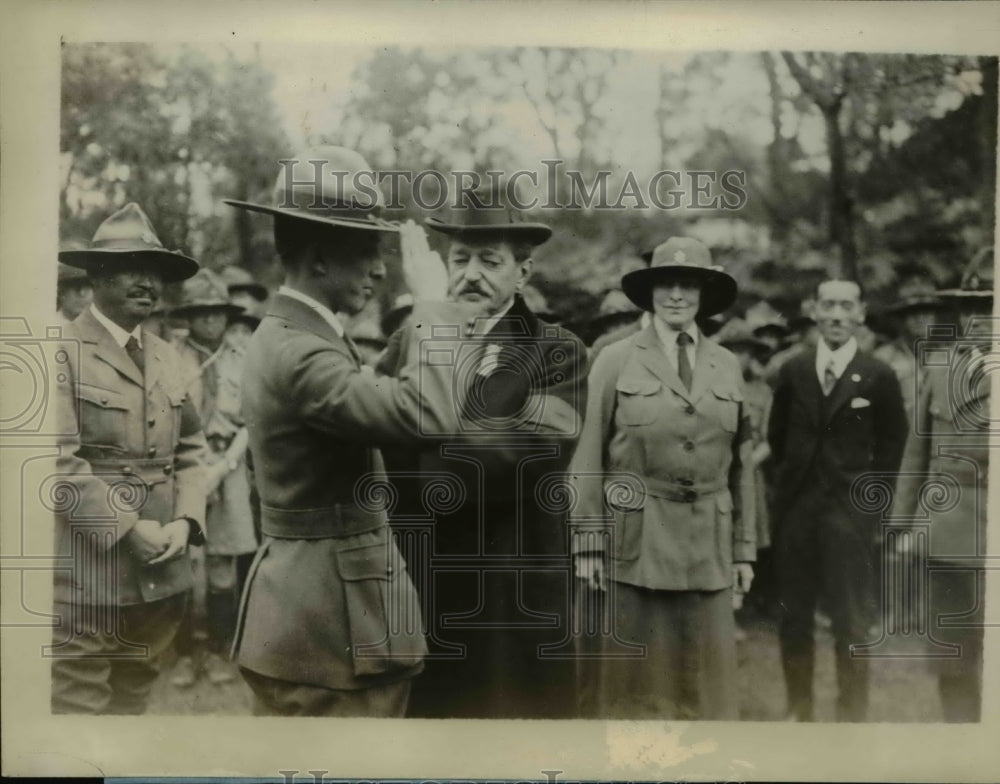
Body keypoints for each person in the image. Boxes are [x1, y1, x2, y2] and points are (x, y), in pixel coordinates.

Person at [225, 145, 477, 717]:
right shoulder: (300, 353)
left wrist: (428, 324)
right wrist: (431, 306)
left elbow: (363, 390)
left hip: (314, 611)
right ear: (318, 258)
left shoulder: (295, 334)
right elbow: (427, 416)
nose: (382, 269)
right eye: (367, 250)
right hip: (333, 625)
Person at [378, 182, 587, 718]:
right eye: (460, 258)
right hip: (420, 585)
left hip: (508, 592)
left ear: (522, 272)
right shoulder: (407, 341)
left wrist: (419, 430)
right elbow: (373, 441)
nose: (471, 273)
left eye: (490, 261)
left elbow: (510, 457)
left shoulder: (556, 350)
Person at [570, 236, 755, 720]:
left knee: (707, 692)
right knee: (636, 691)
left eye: (688, 284)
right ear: (650, 292)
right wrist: (588, 539)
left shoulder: (727, 364)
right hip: (636, 544)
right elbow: (588, 451)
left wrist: (743, 548)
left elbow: (741, 465)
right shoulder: (614, 358)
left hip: (707, 548)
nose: (676, 294)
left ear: (703, 294)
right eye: (666, 283)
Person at [51, 203, 206, 714]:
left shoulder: (168, 356)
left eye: (155, 270)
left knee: (133, 702)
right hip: (84, 575)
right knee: (80, 713)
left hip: (159, 572)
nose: (147, 281)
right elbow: (57, 460)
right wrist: (126, 528)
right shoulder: (61, 350)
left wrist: (186, 519)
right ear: (95, 275)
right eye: (130, 267)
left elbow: (191, 450)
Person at [768, 278, 908, 722]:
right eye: (828, 304)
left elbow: (892, 447)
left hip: (850, 513)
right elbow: (777, 436)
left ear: (861, 314)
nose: (836, 315)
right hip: (797, 510)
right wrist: (790, 490)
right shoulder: (793, 369)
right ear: (813, 310)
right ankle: (799, 709)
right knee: (794, 616)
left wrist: (871, 508)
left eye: (846, 306)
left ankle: (851, 717)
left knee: (850, 619)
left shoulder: (878, 375)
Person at [890, 254, 992, 722]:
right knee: (953, 656)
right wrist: (903, 527)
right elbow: (916, 451)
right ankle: (959, 745)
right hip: (947, 533)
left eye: (990, 306)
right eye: (969, 307)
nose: (979, 319)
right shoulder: (937, 366)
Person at [168, 268, 257, 688]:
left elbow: (251, 423)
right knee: (181, 559)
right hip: (183, 467)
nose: (210, 321)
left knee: (223, 564)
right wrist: (193, 469)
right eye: (201, 313)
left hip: (229, 464)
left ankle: (221, 650)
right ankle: (186, 652)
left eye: (217, 313)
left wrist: (223, 468)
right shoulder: (169, 357)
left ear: (226, 315)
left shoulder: (243, 359)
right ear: (190, 315)